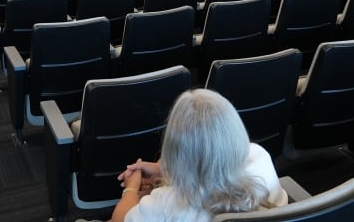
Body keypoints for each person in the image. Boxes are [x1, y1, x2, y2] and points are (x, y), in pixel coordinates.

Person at [111, 89, 287, 222]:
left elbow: (121, 219)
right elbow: (213, 156)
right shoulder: (259, 155)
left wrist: (131, 188)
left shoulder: (169, 202)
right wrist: (163, 169)